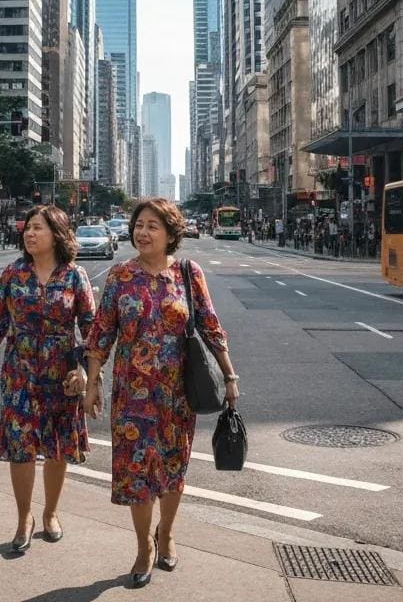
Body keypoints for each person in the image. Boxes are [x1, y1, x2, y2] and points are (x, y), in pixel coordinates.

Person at [85, 197, 239, 588]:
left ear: (171, 234)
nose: (143, 232)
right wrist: (91, 382)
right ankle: (142, 547)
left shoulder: (188, 273)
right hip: (132, 394)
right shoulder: (120, 276)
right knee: (137, 473)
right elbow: (101, 333)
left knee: (173, 470)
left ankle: (166, 533)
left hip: (177, 394)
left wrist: (230, 376)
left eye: (153, 225)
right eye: (139, 225)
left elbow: (210, 326)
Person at [0, 204, 95, 553]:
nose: (30, 233)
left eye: (38, 228)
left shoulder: (75, 276)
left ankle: (51, 513)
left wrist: (86, 371)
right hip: (19, 372)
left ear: (57, 234)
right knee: (21, 447)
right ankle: (23, 517)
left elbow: (91, 330)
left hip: (62, 373)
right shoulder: (12, 274)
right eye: (27, 228)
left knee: (57, 447)